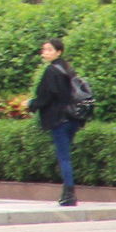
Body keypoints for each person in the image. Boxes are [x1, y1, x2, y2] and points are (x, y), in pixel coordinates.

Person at [32, 38, 84, 206]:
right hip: (73, 118)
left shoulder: (51, 71)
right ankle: (67, 193)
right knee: (66, 155)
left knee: (64, 157)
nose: (44, 53)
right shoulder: (68, 69)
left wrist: (31, 104)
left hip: (60, 119)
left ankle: (69, 194)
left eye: (49, 49)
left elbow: (45, 97)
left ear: (58, 52)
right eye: (44, 49)